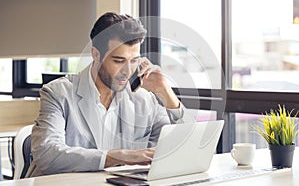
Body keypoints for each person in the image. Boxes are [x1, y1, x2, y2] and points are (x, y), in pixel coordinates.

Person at [26, 12, 184, 177]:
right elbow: (47, 154)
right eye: (118, 61)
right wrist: (118, 157)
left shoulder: (144, 98)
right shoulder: (58, 93)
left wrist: (165, 92)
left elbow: (177, 145)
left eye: (134, 60)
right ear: (96, 54)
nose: (128, 71)